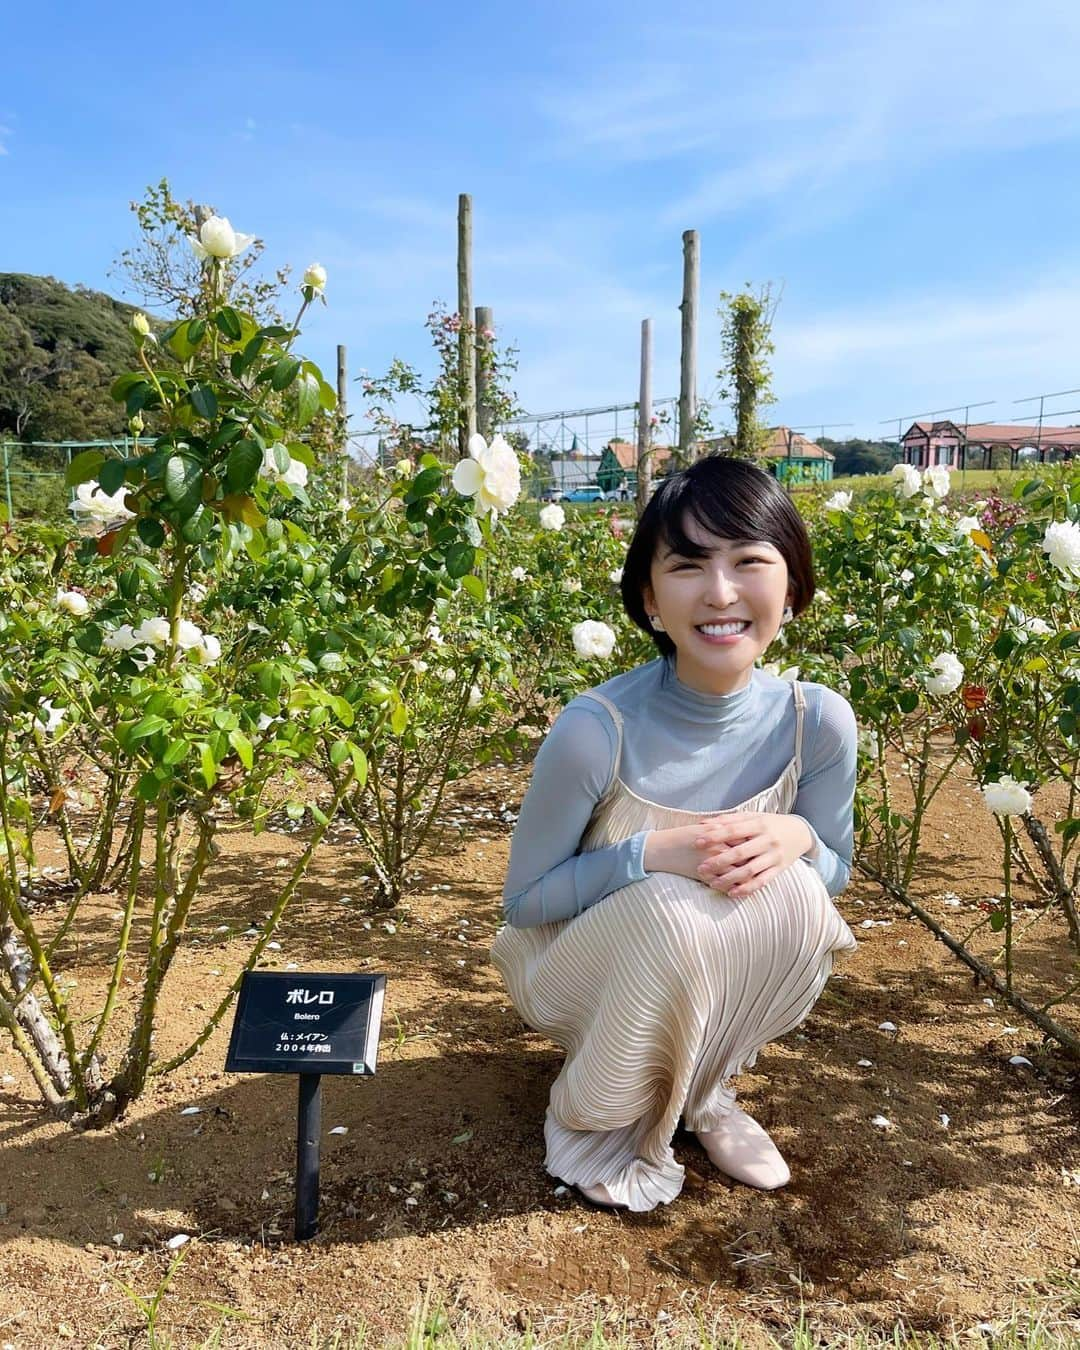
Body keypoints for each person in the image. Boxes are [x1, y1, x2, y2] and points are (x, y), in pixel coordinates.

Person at [490, 455, 858, 1212]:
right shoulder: (597, 731)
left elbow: (834, 874)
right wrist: (653, 854)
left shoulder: (816, 722)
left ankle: (705, 1093)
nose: (721, 593)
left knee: (791, 892)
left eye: (750, 561)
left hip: (697, 961)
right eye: (688, 566)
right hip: (576, 966)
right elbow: (525, 903)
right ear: (651, 600)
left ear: (790, 587)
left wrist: (794, 836)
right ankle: (595, 1118)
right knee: (670, 911)